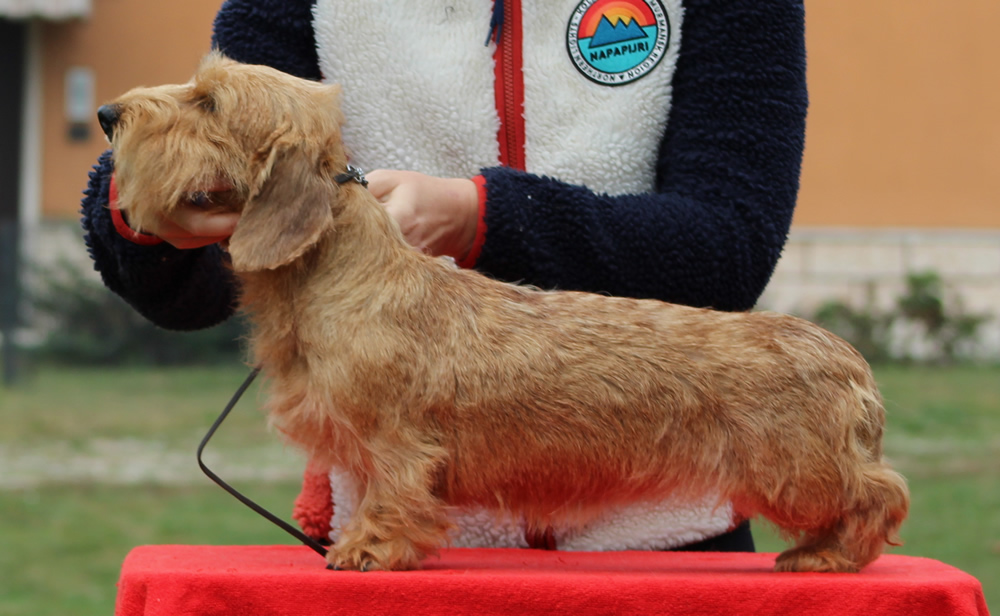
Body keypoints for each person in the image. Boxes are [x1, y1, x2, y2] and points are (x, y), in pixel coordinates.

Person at [81, 0, 807, 553]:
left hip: (663, 537)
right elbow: (201, 283)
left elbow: (729, 246)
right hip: (387, 536)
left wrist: (483, 215)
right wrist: (140, 219)